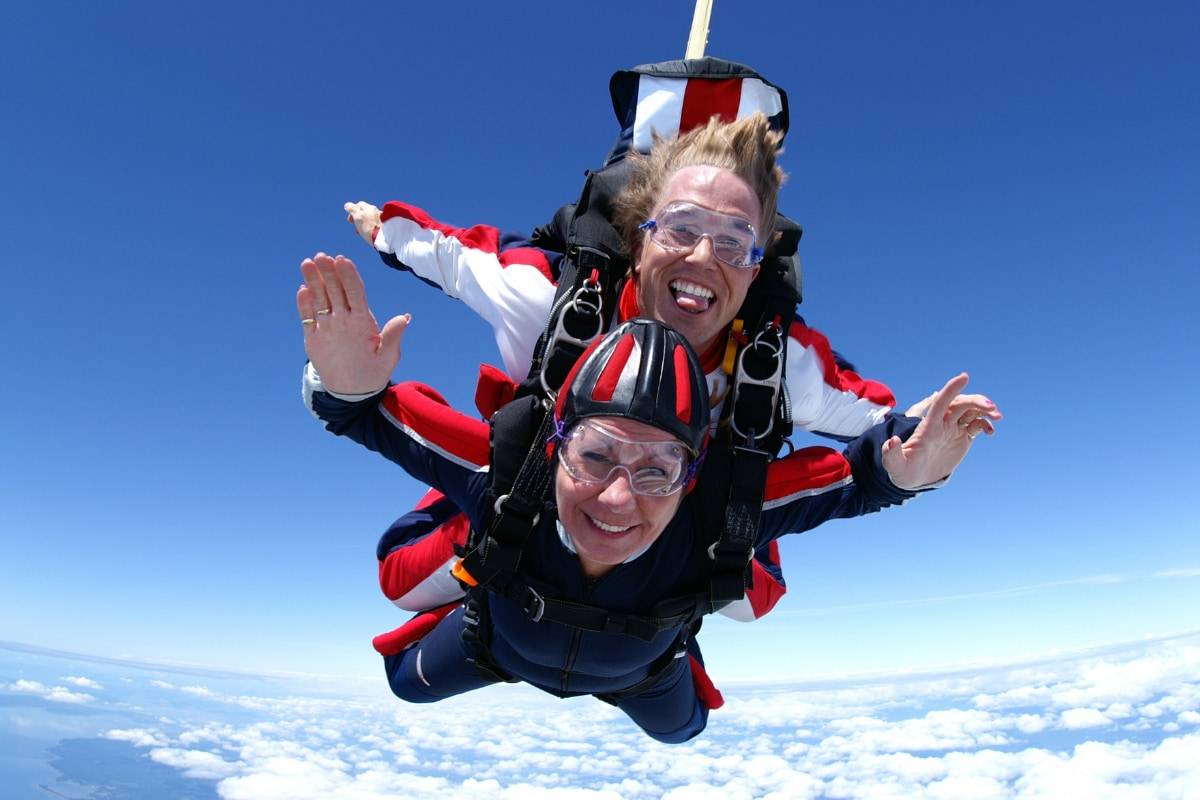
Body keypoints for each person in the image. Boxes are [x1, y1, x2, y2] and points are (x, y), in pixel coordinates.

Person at [297, 253, 996, 742]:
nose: (620, 495)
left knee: (686, 730)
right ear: (556, 442)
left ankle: (729, 559)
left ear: (694, 473)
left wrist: (911, 467)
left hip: (640, 667)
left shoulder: (716, 509)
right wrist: (344, 383)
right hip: (501, 644)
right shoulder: (509, 473)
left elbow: (856, 482)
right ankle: (471, 534)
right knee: (402, 681)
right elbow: (360, 413)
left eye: (659, 469)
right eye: (597, 455)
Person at [344, 112, 1001, 624]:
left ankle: (663, 625)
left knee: (754, 600)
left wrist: (917, 453)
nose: (702, 257)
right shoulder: (547, 299)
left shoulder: (780, 367)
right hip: (546, 478)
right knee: (402, 582)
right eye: (681, 228)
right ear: (641, 237)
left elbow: (880, 420)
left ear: (756, 264)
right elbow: (453, 256)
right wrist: (382, 230)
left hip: (683, 509)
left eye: (734, 241)